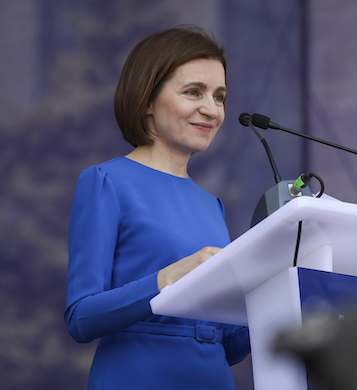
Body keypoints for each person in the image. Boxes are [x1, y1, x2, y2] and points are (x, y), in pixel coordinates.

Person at [64, 26, 250, 389]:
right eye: (194, 92)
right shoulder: (106, 181)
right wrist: (164, 280)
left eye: (220, 96)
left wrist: (284, 304)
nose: (211, 109)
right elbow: (80, 317)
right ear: (147, 99)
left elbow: (227, 344)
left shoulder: (211, 205)